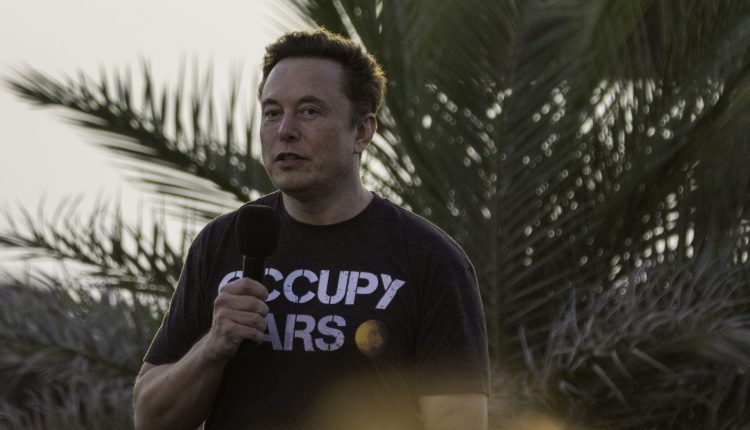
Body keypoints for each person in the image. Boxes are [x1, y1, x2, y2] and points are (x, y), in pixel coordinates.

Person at [133, 28, 489, 430]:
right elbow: (151, 418)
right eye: (272, 112)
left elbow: (458, 420)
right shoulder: (221, 242)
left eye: (309, 111)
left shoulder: (428, 258)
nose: (285, 130)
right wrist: (214, 345)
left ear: (362, 131)